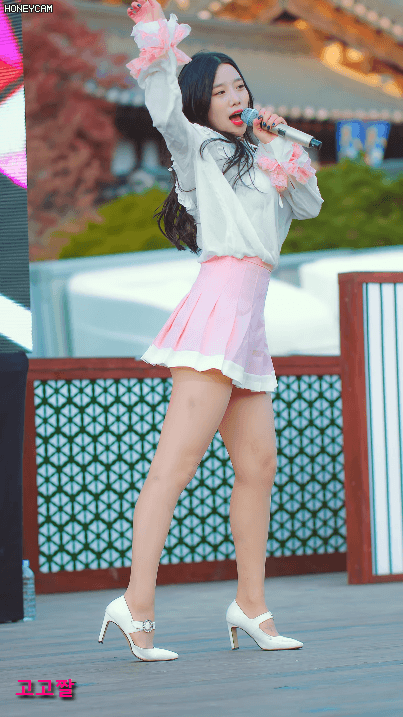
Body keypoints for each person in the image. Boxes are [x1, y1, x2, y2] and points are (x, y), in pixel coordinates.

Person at [98, 0, 324, 662]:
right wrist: (156, 42)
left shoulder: (265, 157)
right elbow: (165, 108)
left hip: (249, 323)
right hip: (214, 316)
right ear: (202, 102)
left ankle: (251, 605)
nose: (235, 97)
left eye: (239, 87)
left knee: (258, 467)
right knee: (173, 468)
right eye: (220, 90)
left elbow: (308, 204)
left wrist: (279, 141)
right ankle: (135, 604)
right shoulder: (195, 148)